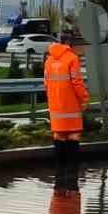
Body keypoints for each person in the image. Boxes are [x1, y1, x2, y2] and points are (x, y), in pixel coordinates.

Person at [43, 28, 90, 166]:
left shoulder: (49, 60)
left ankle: (60, 173)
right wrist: (84, 99)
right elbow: (76, 82)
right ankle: (71, 174)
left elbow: (46, 83)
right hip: (70, 105)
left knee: (58, 135)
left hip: (55, 105)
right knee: (73, 134)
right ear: (70, 42)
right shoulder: (72, 58)